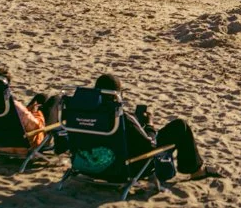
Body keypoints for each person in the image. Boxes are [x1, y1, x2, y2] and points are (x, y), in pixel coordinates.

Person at [92, 74, 221, 182]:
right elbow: (150, 145)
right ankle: (196, 171)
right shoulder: (122, 119)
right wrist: (150, 125)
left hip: (93, 166)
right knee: (181, 126)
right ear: (117, 95)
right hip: (128, 167)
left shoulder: (83, 116)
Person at [0, 64, 63, 154]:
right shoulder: (14, 106)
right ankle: (60, 142)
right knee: (56, 100)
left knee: (41, 97)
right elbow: (36, 126)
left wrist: (28, 112)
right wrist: (35, 113)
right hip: (24, 145)